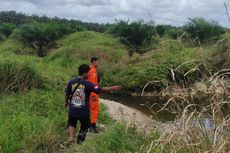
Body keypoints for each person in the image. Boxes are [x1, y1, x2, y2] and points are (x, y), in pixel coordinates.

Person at [64, 64, 122, 146]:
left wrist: (66, 102)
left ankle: (70, 138)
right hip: (83, 112)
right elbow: (101, 90)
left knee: (71, 123)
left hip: (72, 110)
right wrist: (114, 88)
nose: (89, 74)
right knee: (84, 127)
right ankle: (79, 143)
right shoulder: (88, 84)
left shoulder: (71, 82)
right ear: (84, 73)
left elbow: (67, 94)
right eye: (88, 73)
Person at [87, 57, 100, 133]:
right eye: (97, 62)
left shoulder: (93, 70)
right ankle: (93, 126)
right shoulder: (91, 70)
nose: (98, 64)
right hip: (93, 93)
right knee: (94, 109)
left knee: (91, 109)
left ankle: (89, 125)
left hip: (92, 92)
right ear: (94, 62)